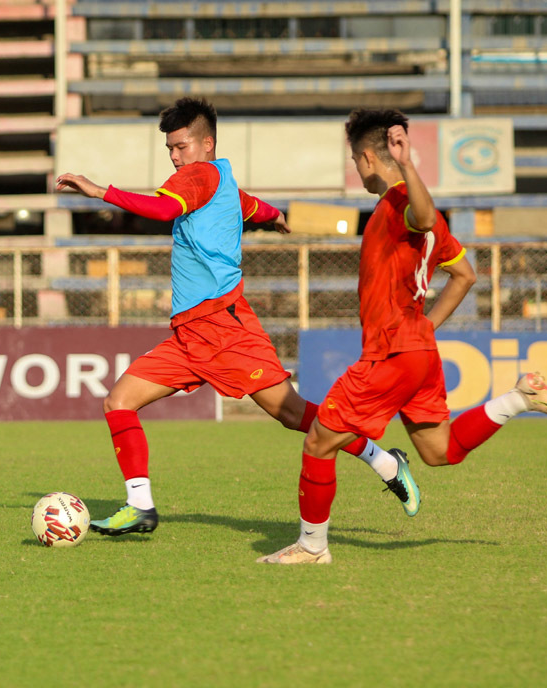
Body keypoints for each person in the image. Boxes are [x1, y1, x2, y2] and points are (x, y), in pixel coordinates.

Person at [56, 97, 419, 537]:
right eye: (170, 149)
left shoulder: (199, 175)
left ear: (207, 144)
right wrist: (276, 216)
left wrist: (99, 192)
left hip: (225, 329)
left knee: (292, 415)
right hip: (189, 335)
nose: (175, 156)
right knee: (118, 403)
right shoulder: (221, 179)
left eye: (182, 146)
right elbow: (251, 206)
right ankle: (140, 506)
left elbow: (163, 209)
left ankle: (384, 461)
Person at [260, 109, 547, 565]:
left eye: (355, 159)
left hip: (391, 351)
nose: (356, 168)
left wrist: (409, 166)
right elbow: (465, 275)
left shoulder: (398, 206)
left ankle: (312, 548)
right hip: (418, 350)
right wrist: (425, 328)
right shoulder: (405, 214)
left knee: (318, 442)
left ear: (368, 157)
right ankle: (519, 400)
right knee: (438, 450)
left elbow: (424, 216)